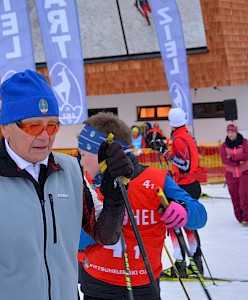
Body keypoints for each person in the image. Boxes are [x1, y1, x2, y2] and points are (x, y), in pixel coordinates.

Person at [0, 70, 133, 299]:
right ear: (6, 128)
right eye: (34, 126)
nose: (45, 136)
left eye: (52, 126)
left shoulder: (72, 170)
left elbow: (106, 235)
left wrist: (114, 195)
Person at [77, 112, 207, 299]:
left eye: (83, 154)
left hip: (143, 285)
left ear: (102, 152)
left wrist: (184, 211)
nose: (81, 162)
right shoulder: (85, 185)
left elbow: (200, 215)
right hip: (97, 285)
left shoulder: (154, 180)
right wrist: (103, 225)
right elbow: (71, 240)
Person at [150, 107, 206, 277]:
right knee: (188, 226)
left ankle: (181, 265)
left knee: (176, 225)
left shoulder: (180, 139)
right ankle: (195, 264)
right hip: (190, 184)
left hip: (184, 185)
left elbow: (185, 165)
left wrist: (166, 153)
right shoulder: (186, 136)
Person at [220, 123, 248, 225]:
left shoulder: (244, 142)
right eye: (228, 132)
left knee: (244, 195)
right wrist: (237, 161)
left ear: (236, 132)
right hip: (231, 174)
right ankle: (239, 217)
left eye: (232, 132)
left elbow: (246, 155)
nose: (230, 134)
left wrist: (231, 158)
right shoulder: (224, 145)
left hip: (244, 172)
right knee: (234, 196)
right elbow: (224, 159)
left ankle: (246, 217)